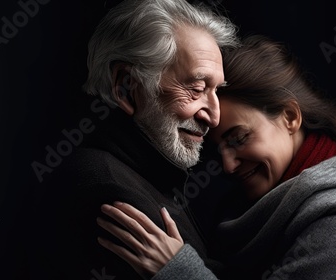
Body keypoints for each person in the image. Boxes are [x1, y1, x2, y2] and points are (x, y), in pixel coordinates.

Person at [95, 35, 336, 279]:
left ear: (290, 117)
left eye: (239, 138)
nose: (228, 165)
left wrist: (177, 271)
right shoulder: (262, 205)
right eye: (218, 149)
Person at [31, 0, 239, 279]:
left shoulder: (147, 172)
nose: (214, 117)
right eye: (197, 89)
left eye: (216, 91)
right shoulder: (109, 190)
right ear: (127, 87)